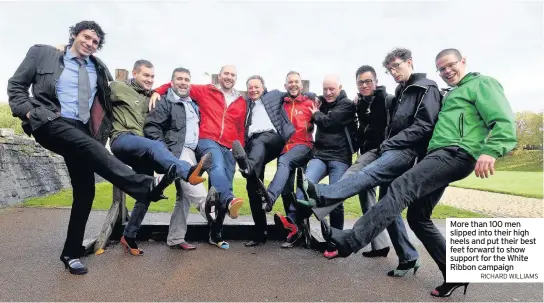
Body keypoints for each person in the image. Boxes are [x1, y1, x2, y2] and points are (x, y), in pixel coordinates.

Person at [320, 48, 517, 297]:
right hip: (437, 156)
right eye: (441, 68)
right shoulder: (451, 93)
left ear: (463, 61)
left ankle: (351, 241)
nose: (447, 71)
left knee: (398, 188)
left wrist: (492, 150)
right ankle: (455, 273)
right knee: (418, 216)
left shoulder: (481, 84)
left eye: (451, 65)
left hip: (456, 153)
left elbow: (502, 118)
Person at [7, 21, 176, 275]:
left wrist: (157, 92)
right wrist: (29, 112)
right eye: (86, 37)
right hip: (49, 119)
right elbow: (16, 87)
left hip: (82, 128)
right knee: (97, 152)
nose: (89, 43)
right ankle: (144, 186)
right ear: (74, 35)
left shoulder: (97, 68)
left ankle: (70, 253)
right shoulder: (42, 53)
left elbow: (124, 89)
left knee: (85, 191)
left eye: (95, 42)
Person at [297, 48, 442, 273]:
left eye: (397, 66)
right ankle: (406, 255)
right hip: (381, 151)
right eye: (391, 68)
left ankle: (323, 197)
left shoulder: (400, 95)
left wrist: (388, 144)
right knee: (385, 205)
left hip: (394, 152)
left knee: (364, 176)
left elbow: (420, 127)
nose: (394, 71)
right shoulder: (390, 95)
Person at [108, 61, 211, 255]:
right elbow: (99, 89)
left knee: (145, 194)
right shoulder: (119, 87)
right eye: (145, 75)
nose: (149, 79)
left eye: (152, 76)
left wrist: (156, 91)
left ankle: (129, 236)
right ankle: (187, 172)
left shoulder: (154, 96)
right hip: (124, 138)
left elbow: (170, 89)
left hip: (142, 149)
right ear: (134, 73)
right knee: (158, 147)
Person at [150, 65, 246, 249]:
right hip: (202, 143)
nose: (229, 77)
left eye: (233, 74)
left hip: (218, 147)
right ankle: (221, 204)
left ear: (236, 78)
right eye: (226, 73)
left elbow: (240, 128)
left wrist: (237, 148)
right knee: (209, 176)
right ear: (219, 75)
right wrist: (156, 91)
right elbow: (176, 85)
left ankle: (186, 237)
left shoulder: (240, 101)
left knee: (188, 194)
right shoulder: (204, 91)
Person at [144, 67, 214, 250]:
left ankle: (175, 238)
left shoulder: (193, 103)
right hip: (176, 151)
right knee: (194, 187)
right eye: (179, 79)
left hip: (193, 152)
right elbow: (152, 127)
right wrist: (163, 152)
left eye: (186, 79)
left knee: (183, 196)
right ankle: (212, 210)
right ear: (172, 82)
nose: (183, 82)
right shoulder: (165, 101)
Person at [293, 74, 357, 258]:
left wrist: (316, 114)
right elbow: (306, 96)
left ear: (340, 87)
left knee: (336, 199)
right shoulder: (320, 101)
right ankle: (302, 227)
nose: (328, 93)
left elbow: (330, 122)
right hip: (320, 155)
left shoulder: (347, 105)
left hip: (340, 157)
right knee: (304, 188)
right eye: (325, 89)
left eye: (332, 89)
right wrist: (316, 102)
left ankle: (335, 241)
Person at [269, 71, 316, 248]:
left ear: (301, 85)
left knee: (291, 171)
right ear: (285, 86)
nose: (293, 84)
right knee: (287, 189)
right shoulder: (282, 104)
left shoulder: (311, 102)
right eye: (290, 82)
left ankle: (270, 197)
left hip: (304, 146)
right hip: (285, 149)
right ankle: (294, 228)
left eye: (296, 82)